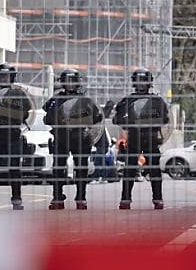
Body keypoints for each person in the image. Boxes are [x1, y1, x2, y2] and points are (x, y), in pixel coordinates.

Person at [43, 69, 102, 210]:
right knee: (58, 168)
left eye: (72, 81)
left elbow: (96, 117)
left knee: (81, 169)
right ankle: (57, 197)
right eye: (67, 81)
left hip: (81, 137)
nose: (70, 84)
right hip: (61, 137)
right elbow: (48, 118)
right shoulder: (55, 99)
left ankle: (81, 198)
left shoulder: (85, 100)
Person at [114, 68, 170, 210]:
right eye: (139, 81)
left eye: (144, 81)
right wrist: (129, 121)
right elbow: (117, 119)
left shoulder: (157, 100)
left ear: (149, 83)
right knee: (129, 170)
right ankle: (125, 199)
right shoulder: (127, 100)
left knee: (155, 170)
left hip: (151, 137)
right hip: (134, 137)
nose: (141, 84)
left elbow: (165, 119)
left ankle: (158, 199)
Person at [0, 64, 34, 211]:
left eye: (7, 76)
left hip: (13, 134)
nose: (4, 78)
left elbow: (25, 112)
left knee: (15, 168)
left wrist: (8, 115)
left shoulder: (19, 94)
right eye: (2, 76)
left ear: (12, 77)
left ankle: (17, 199)